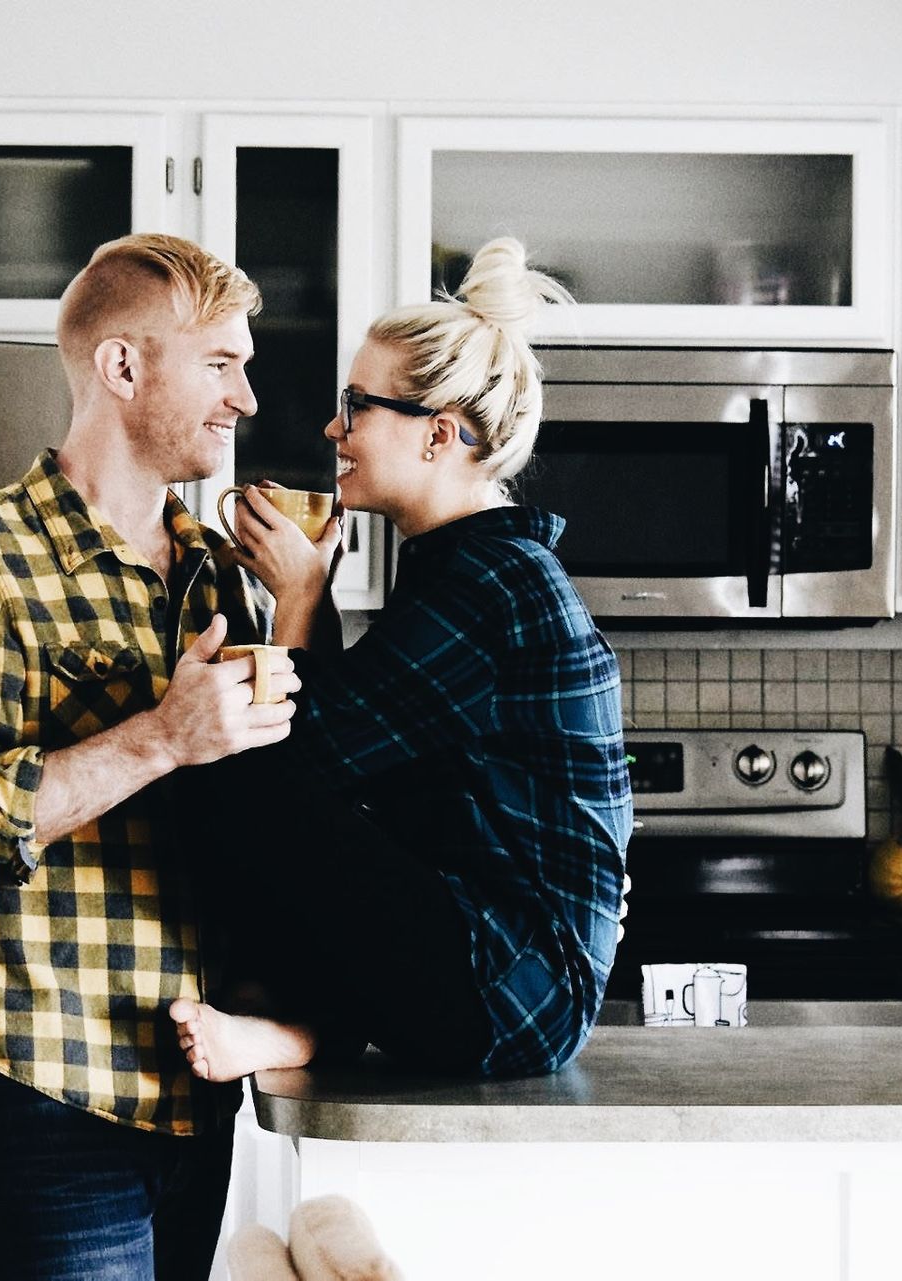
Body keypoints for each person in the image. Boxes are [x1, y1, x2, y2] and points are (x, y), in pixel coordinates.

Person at [0, 233, 298, 1280]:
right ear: (122, 367)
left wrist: (303, 603)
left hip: (195, 1087)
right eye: (221, 365)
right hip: (43, 1083)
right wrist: (160, 734)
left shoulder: (218, 575)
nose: (245, 399)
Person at [168, 238, 631, 1084]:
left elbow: (297, 756)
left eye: (357, 406)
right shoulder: (469, 567)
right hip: (501, 974)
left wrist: (304, 600)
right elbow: (352, 764)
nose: (332, 427)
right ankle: (304, 1030)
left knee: (219, 758)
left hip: (510, 991)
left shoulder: (492, 583)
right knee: (227, 751)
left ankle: (306, 1029)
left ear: (438, 436)